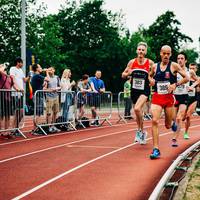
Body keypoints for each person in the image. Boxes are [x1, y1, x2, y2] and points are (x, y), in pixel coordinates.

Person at [149, 45, 189, 159]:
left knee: (167, 125)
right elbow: (149, 76)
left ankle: (172, 124)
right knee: (155, 121)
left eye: (168, 54)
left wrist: (175, 85)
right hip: (157, 97)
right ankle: (156, 149)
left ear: (170, 54)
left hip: (168, 99)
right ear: (160, 53)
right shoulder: (155, 66)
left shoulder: (174, 66)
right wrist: (151, 81)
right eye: (164, 53)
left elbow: (186, 77)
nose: (166, 56)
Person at [122, 42, 154, 144]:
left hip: (145, 90)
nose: (140, 51)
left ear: (145, 52)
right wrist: (128, 73)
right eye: (139, 49)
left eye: (142, 50)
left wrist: (151, 80)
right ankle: (141, 131)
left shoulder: (150, 63)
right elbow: (123, 74)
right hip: (134, 90)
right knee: (137, 112)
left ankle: (140, 131)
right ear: (137, 51)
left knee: (136, 109)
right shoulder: (132, 62)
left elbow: (154, 76)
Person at [172, 53, 199, 146]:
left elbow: (198, 80)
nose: (180, 60)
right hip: (174, 96)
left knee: (180, 118)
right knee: (173, 118)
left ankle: (175, 138)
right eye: (178, 58)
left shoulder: (190, 72)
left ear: (185, 60)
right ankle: (174, 125)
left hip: (184, 96)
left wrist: (192, 86)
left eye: (182, 58)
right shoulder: (174, 70)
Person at [0, 63, 20, 138]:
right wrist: (2, 67)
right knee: (1, 115)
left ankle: (7, 130)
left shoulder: (9, 77)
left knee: (8, 115)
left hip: (8, 98)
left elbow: (14, 85)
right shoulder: (1, 75)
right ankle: (2, 130)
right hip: (1, 97)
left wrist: (19, 89)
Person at [9, 57, 29, 132]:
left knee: (20, 112)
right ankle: (13, 129)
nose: (23, 64)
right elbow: (13, 80)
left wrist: (29, 76)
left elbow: (25, 80)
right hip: (15, 93)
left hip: (20, 94)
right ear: (18, 62)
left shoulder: (21, 70)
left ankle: (16, 128)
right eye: (22, 62)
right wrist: (18, 89)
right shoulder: (12, 69)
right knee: (16, 111)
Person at [183, 63, 200, 139]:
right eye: (190, 68)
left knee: (188, 116)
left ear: (196, 69)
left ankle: (186, 133)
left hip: (194, 99)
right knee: (182, 117)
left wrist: (197, 89)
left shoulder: (198, 79)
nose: (191, 70)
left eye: (193, 68)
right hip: (185, 99)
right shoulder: (186, 78)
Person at [31, 64, 49, 133]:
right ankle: (35, 129)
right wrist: (47, 71)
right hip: (38, 96)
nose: (41, 68)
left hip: (38, 96)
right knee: (38, 113)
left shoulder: (37, 76)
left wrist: (45, 82)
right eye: (40, 67)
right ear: (36, 69)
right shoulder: (37, 75)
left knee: (38, 113)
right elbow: (48, 79)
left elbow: (43, 85)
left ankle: (34, 128)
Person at [43, 66, 61, 133]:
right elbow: (44, 89)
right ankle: (49, 126)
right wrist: (51, 89)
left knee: (55, 112)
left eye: (51, 69)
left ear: (54, 70)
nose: (50, 70)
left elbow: (60, 86)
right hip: (49, 97)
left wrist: (56, 88)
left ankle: (53, 125)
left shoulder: (57, 77)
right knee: (49, 113)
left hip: (56, 96)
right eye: (49, 70)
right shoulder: (46, 78)